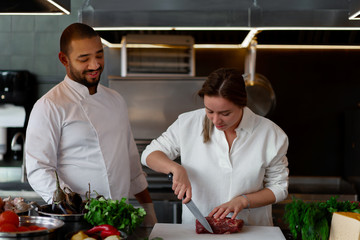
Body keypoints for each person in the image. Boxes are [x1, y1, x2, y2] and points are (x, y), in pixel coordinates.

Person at [25, 23, 157, 226]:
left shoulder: (116, 100)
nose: (95, 65)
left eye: (99, 55)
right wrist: (74, 208)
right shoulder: (50, 106)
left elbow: (131, 161)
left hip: (119, 221)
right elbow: (38, 169)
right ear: (64, 60)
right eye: (84, 59)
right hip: (77, 223)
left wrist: (148, 209)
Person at [141, 67, 289, 226]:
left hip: (252, 229)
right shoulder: (188, 123)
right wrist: (176, 168)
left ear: (242, 104)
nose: (216, 120)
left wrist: (243, 201)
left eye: (225, 113)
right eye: (209, 111)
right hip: (198, 230)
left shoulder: (271, 134)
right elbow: (149, 154)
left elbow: (279, 188)